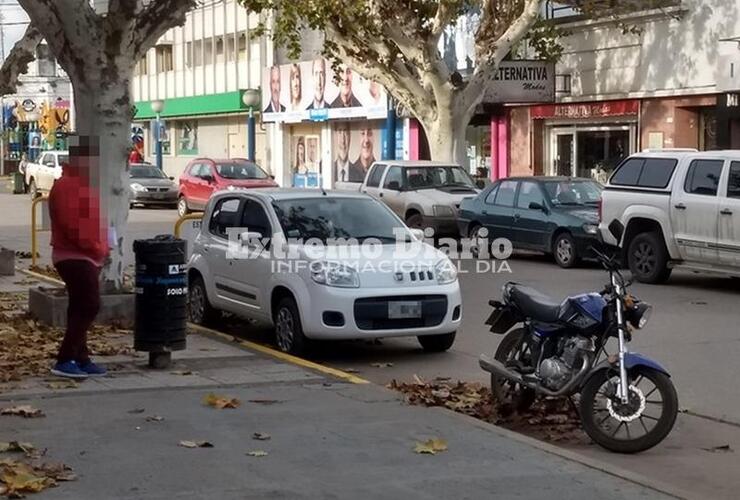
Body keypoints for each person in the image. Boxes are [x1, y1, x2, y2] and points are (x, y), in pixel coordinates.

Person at [48, 135, 109, 379]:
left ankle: (80, 357)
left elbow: (95, 222)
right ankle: (65, 358)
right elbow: (74, 225)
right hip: (75, 255)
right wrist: (97, 246)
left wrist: (103, 244)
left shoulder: (84, 184)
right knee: (89, 305)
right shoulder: (67, 185)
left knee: (80, 307)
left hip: (87, 255)